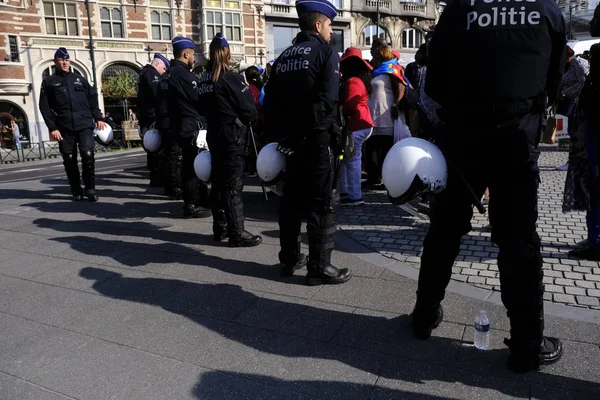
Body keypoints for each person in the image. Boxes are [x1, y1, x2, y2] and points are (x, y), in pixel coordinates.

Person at [413, 0, 567, 373]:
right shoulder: (546, 11)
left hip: (462, 139)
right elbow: (555, 82)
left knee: (444, 232)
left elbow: (433, 83)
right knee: (518, 241)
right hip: (516, 139)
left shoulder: (457, 10)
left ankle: (423, 316)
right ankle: (527, 344)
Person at [263, 0, 352, 284]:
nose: (330, 31)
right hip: (316, 140)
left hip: (289, 143)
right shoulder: (326, 54)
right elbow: (328, 100)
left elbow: (271, 105)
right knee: (321, 204)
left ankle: (289, 259)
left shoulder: (283, 57)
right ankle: (319, 267)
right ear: (317, 24)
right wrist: (307, 129)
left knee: (290, 202)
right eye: (328, 25)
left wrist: (288, 133)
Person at [199, 33, 262, 247]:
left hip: (214, 136)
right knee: (233, 185)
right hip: (233, 137)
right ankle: (237, 232)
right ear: (227, 54)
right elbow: (249, 109)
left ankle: (221, 227)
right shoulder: (231, 78)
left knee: (217, 183)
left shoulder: (204, 80)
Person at [39, 47, 106, 202]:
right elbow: (44, 107)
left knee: (88, 156)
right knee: (69, 159)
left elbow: (92, 98)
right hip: (64, 127)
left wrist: (98, 117)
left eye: (67, 60)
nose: (65, 63)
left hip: (84, 124)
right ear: (56, 61)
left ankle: (90, 189)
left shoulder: (79, 79)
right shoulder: (49, 82)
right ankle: (76, 191)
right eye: (62, 60)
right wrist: (53, 127)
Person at [166, 36, 211, 218]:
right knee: (193, 167)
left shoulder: (168, 74)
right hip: (191, 125)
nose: (194, 59)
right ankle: (192, 204)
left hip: (179, 125)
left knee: (187, 165)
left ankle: (194, 200)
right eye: (193, 55)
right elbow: (199, 99)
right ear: (186, 54)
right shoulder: (184, 75)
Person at [338, 47, 374, 206]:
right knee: (349, 160)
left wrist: (342, 110)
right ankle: (347, 193)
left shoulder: (353, 81)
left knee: (351, 161)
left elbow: (351, 104)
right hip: (362, 123)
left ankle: (354, 196)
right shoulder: (361, 80)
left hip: (355, 124)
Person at [137, 53, 170, 188]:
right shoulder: (151, 74)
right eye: (163, 69)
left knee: (152, 149)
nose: (164, 72)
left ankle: (156, 177)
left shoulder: (144, 73)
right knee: (156, 149)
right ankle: (158, 178)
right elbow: (158, 94)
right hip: (153, 117)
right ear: (157, 64)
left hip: (147, 117)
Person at [156, 58, 183, 200]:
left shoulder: (162, 80)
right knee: (174, 156)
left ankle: (169, 186)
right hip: (172, 121)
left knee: (168, 155)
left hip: (163, 121)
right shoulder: (176, 77)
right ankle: (175, 187)